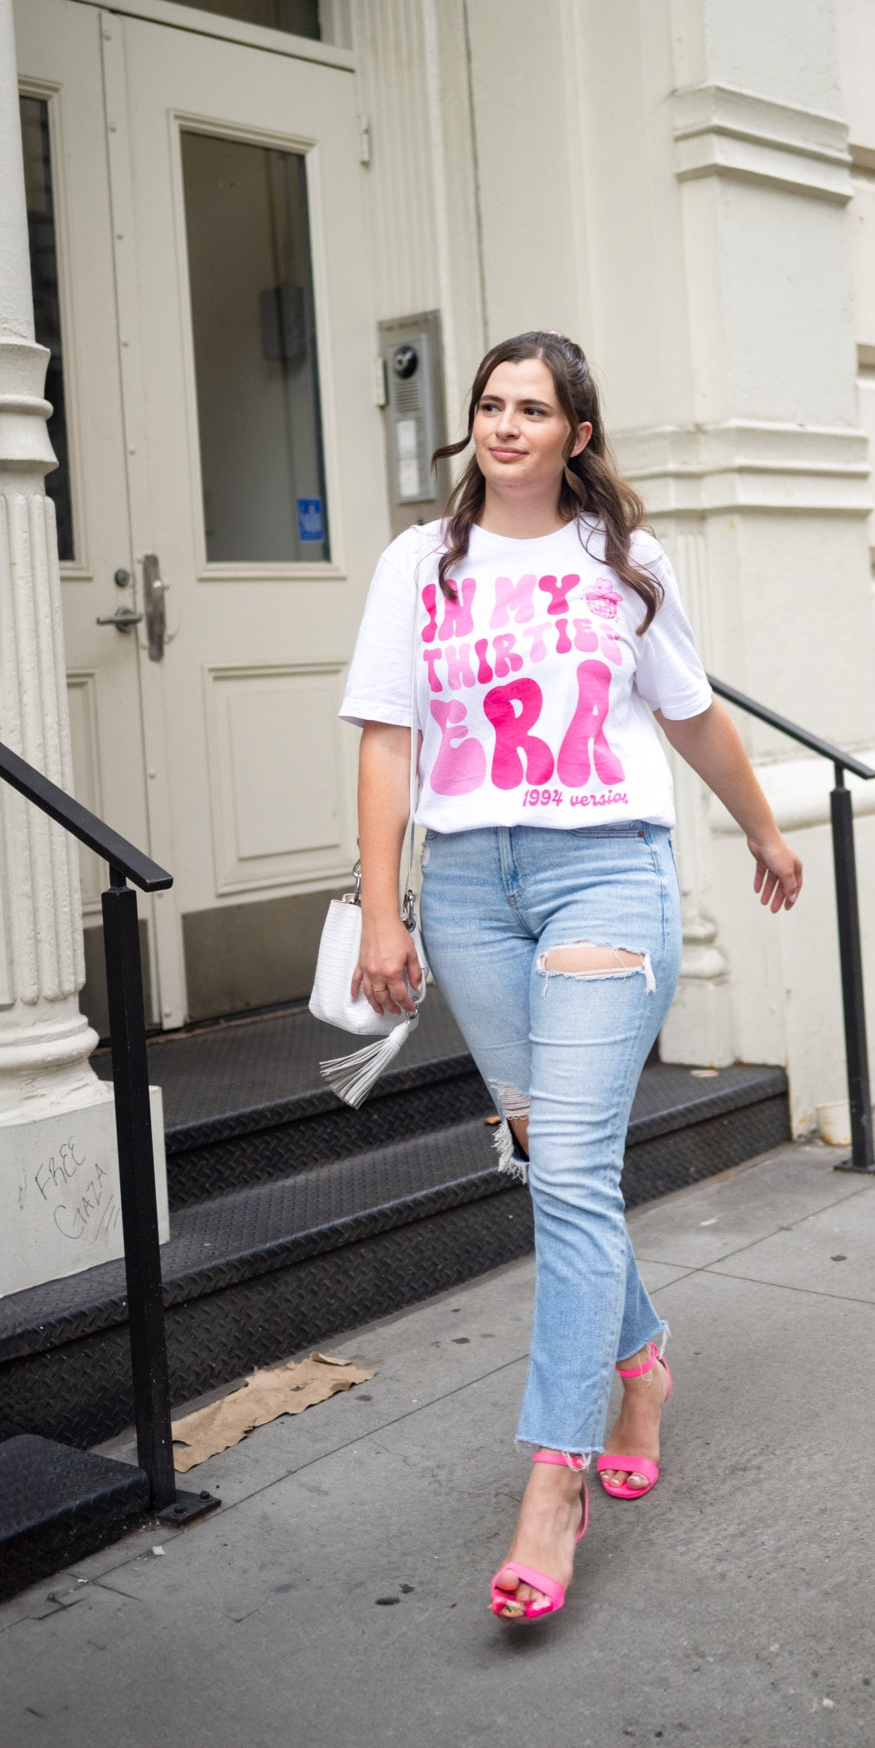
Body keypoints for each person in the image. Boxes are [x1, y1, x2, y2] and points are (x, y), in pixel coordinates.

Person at [339, 331, 802, 1623]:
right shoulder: (417, 565)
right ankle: (642, 1362)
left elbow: (689, 708)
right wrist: (386, 909)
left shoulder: (625, 563)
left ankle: (556, 1478)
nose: (502, 426)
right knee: (549, 1154)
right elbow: (386, 740)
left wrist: (763, 828)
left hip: (605, 871)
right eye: (488, 405)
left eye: (531, 409)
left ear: (576, 436)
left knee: (577, 1172)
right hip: (471, 882)